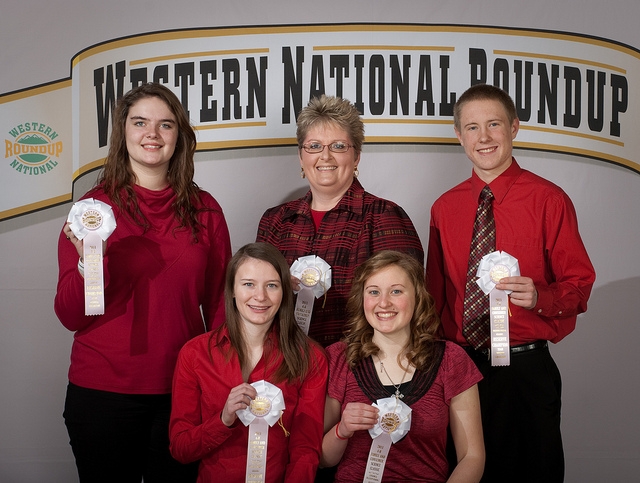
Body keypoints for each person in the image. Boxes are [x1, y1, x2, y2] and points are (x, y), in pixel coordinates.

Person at [54, 82, 232, 483]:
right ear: (124, 133)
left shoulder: (206, 211)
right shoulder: (91, 212)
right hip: (102, 394)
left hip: (184, 392)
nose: (152, 134)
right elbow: (69, 316)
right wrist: (88, 265)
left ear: (179, 137)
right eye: (141, 122)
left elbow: (221, 306)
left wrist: (220, 377)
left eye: (165, 125)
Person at [426, 83, 596, 483]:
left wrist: (540, 295)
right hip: (461, 368)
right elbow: (434, 295)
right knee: (465, 470)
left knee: (532, 472)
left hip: (525, 370)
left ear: (514, 127)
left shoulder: (549, 200)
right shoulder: (443, 208)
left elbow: (579, 284)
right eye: (471, 127)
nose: (483, 137)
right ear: (458, 135)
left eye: (493, 125)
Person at [256, 94, 424, 348]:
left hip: (360, 368)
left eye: (338, 146)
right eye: (314, 146)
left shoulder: (385, 217)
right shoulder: (274, 222)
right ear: (301, 157)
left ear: (356, 156)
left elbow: (405, 308)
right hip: (287, 366)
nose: (325, 156)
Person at [169, 242, 328, 482]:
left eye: (272, 286)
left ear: (284, 291)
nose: (260, 297)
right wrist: (223, 420)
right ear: (232, 289)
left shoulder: (311, 358)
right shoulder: (195, 354)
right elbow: (181, 449)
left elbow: (305, 451)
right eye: (248, 284)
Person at [322, 250, 484, 483]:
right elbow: (323, 460)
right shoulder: (338, 358)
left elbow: (472, 456)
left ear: (417, 297)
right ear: (362, 299)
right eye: (374, 292)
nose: (383, 302)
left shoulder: (451, 360)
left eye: (396, 291)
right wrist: (342, 430)